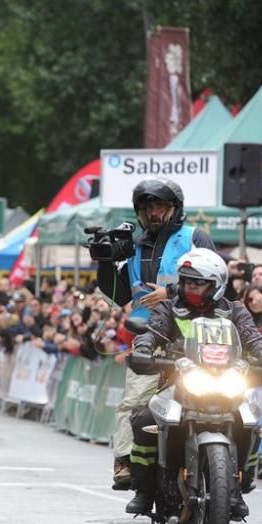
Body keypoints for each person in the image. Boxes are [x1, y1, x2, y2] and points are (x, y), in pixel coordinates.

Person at [125, 248, 262, 520]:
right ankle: (145, 490)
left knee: (250, 417)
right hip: (178, 384)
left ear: (217, 285)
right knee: (143, 418)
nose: (190, 287)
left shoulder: (235, 311)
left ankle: (240, 483)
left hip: (226, 382)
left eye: (198, 282)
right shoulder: (168, 307)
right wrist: (144, 347)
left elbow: (254, 338)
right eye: (186, 281)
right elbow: (152, 332)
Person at [94, 178, 217, 490]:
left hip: (199, 336)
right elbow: (117, 296)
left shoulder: (194, 237)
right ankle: (125, 461)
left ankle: (232, 473)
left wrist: (172, 292)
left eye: (159, 206)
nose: (153, 213)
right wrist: (106, 262)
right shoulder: (132, 247)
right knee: (135, 403)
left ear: (174, 208)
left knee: (230, 398)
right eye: (146, 207)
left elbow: (219, 281)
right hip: (149, 338)